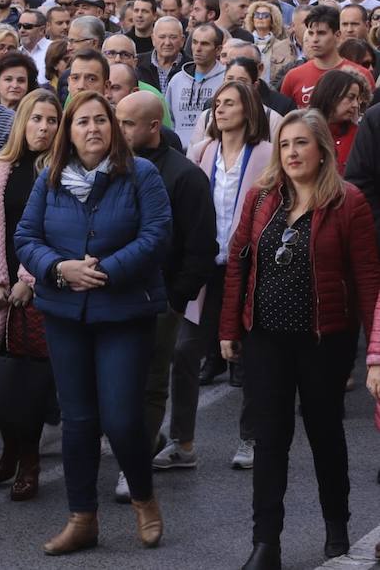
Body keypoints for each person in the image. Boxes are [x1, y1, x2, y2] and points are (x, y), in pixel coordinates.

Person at [221, 109, 380, 570]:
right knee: (270, 440)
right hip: (265, 338)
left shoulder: (348, 202)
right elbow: (239, 263)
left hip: (324, 340)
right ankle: (265, 543)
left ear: (322, 149)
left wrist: (375, 353)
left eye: (301, 143)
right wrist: (230, 329)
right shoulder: (260, 198)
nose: (291, 152)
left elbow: (368, 277)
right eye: (285, 143)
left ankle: (337, 525)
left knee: (325, 433)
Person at [15, 90, 172, 556]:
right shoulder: (50, 178)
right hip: (66, 314)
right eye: (82, 121)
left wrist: (102, 270)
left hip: (123, 312)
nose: (93, 129)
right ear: (70, 130)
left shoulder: (141, 174)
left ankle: (143, 498)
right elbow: (26, 236)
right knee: (78, 420)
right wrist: (58, 269)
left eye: (101, 120)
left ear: (114, 127)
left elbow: (157, 235)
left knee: (123, 418)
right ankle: (82, 518)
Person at [116, 90, 217, 501]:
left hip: (159, 300)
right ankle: (141, 442)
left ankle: (133, 466)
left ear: (153, 127)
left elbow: (200, 247)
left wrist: (176, 300)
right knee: (117, 384)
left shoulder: (184, 175)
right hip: (114, 294)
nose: (116, 131)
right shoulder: (111, 165)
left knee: (150, 383)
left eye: (126, 123)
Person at [0, 89, 62, 500]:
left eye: (51, 120)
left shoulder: (61, 170)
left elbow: (58, 233)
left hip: (39, 288)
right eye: (36, 119)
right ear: (22, 121)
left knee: (31, 380)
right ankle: (8, 449)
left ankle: (30, 460)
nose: (43, 127)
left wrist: (29, 279)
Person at [181, 80, 272, 469]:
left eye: (229, 103)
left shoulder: (268, 154)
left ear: (248, 110)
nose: (220, 109)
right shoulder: (202, 151)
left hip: (249, 268)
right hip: (204, 267)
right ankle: (180, 440)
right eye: (217, 103)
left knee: (251, 356)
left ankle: (251, 438)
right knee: (184, 350)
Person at [281, 5, 374, 108]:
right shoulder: (293, 77)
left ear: (338, 35)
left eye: (321, 33)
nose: (315, 39)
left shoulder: (361, 76)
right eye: (311, 33)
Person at [166, 23, 226, 145]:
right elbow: (169, 119)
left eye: (204, 44)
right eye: (194, 42)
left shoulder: (226, 79)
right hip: (180, 151)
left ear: (218, 49)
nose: (198, 48)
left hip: (212, 150)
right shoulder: (177, 80)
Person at [307, 67, 369, 171]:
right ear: (330, 94)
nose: (356, 105)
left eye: (357, 99)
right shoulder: (302, 130)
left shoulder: (359, 136)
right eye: (350, 97)